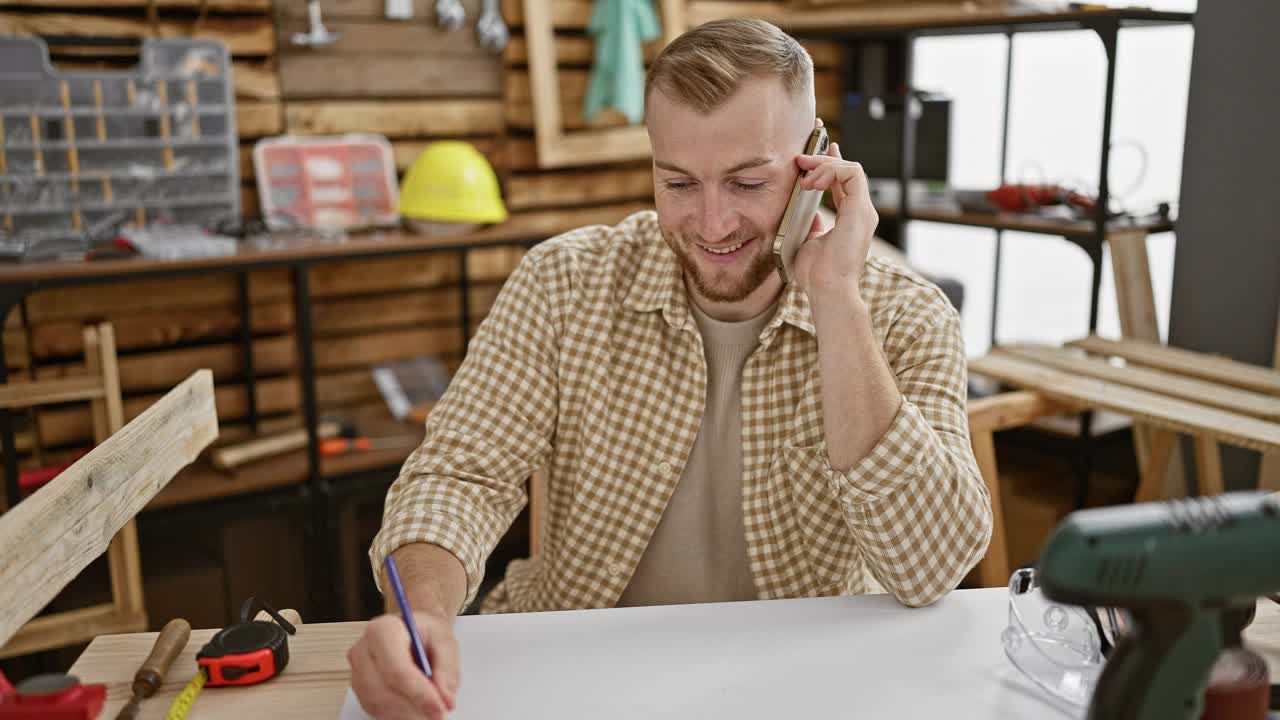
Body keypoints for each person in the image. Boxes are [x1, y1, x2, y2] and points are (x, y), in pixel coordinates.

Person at [347, 18, 992, 719]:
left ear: (816, 165)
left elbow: (931, 568)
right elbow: (460, 477)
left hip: (804, 690)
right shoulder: (564, 283)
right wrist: (424, 619)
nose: (712, 224)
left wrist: (837, 301)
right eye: (679, 182)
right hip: (577, 679)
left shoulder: (905, 317)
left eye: (748, 182)